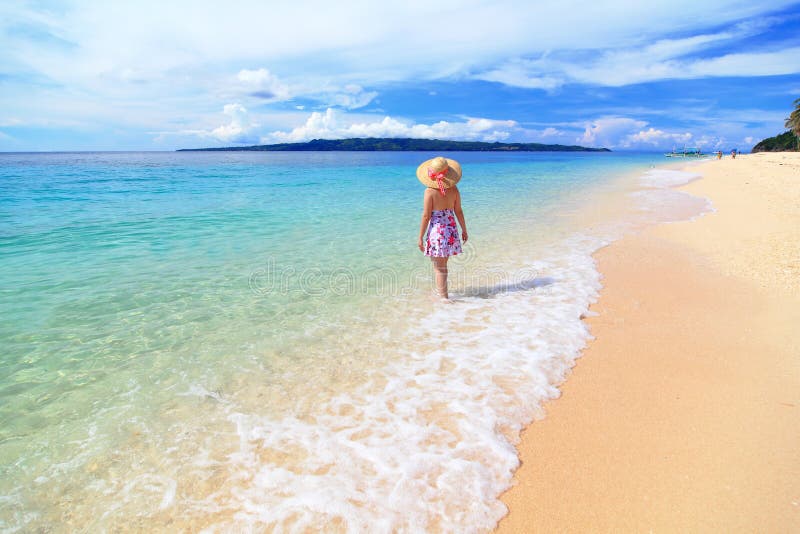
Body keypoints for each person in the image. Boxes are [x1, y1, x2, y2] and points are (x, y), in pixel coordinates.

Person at [416, 156, 468, 299]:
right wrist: (464, 229)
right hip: (451, 230)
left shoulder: (429, 192)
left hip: (437, 232)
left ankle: (444, 299)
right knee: (442, 265)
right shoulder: (454, 189)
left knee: (439, 268)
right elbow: (458, 210)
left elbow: (426, 216)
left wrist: (420, 236)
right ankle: (441, 292)